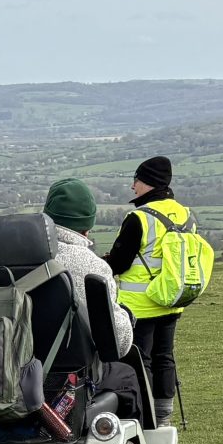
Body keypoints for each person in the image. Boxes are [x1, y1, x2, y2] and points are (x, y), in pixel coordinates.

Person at [41, 175, 148, 418]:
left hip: (5, 378)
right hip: (67, 383)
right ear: (86, 227)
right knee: (126, 376)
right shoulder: (91, 265)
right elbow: (119, 344)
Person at [103, 154, 191, 424]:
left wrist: (98, 263)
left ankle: (143, 414)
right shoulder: (184, 213)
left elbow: (118, 262)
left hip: (140, 303)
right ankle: (164, 413)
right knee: (165, 355)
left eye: (137, 180)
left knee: (140, 361)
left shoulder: (138, 218)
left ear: (149, 183)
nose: (133, 187)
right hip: (171, 297)